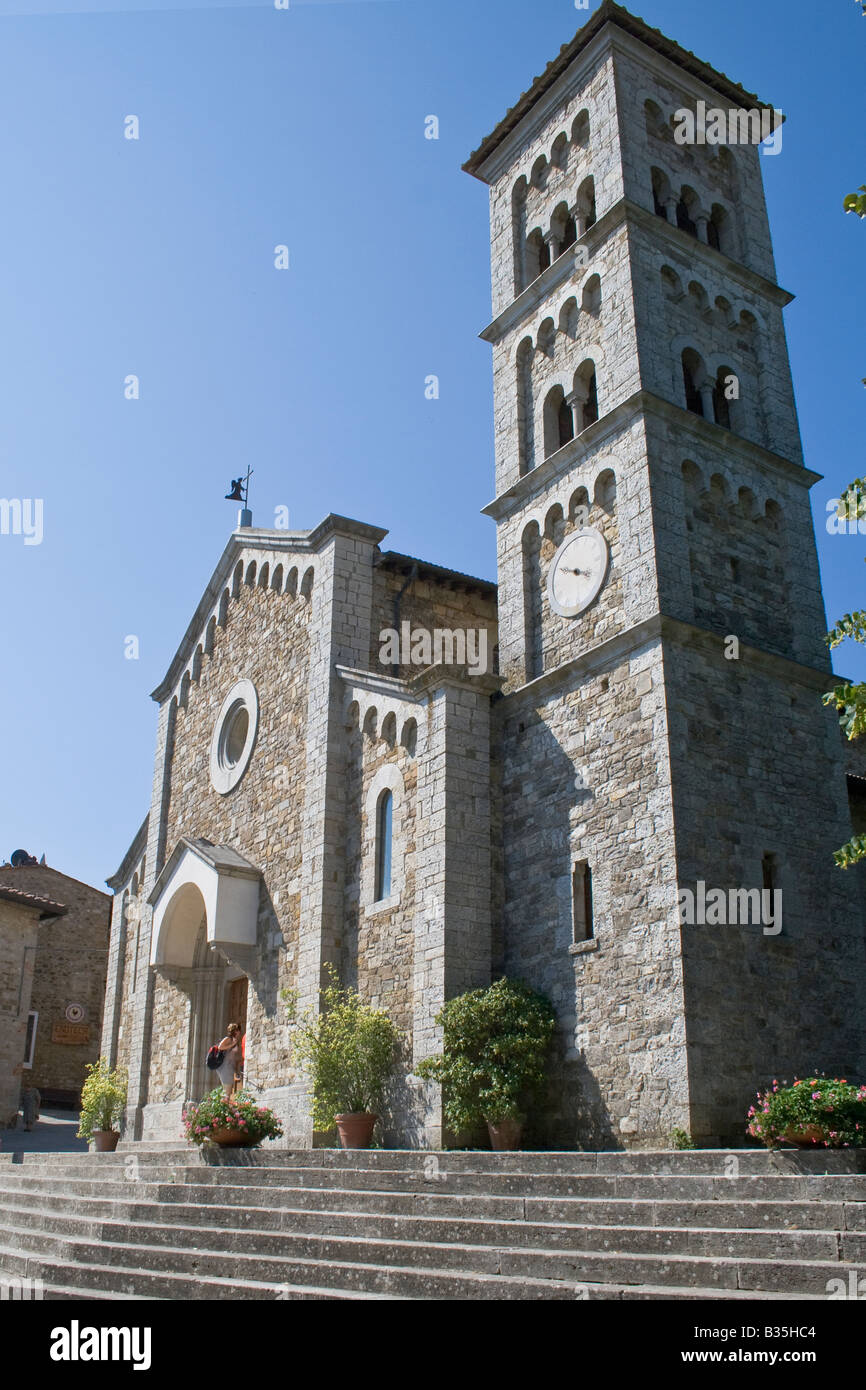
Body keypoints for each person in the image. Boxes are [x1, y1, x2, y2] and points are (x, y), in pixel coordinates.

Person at [215, 1022, 243, 1100]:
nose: (239, 1032)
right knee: (227, 1091)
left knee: (228, 1091)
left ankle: (224, 1108)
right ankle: (222, 1109)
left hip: (230, 1067)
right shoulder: (228, 1039)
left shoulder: (235, 1040)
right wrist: (232, 1044)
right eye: (238, 1030)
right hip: (225, 1067)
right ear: (235, 1031)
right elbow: (220, 1047)